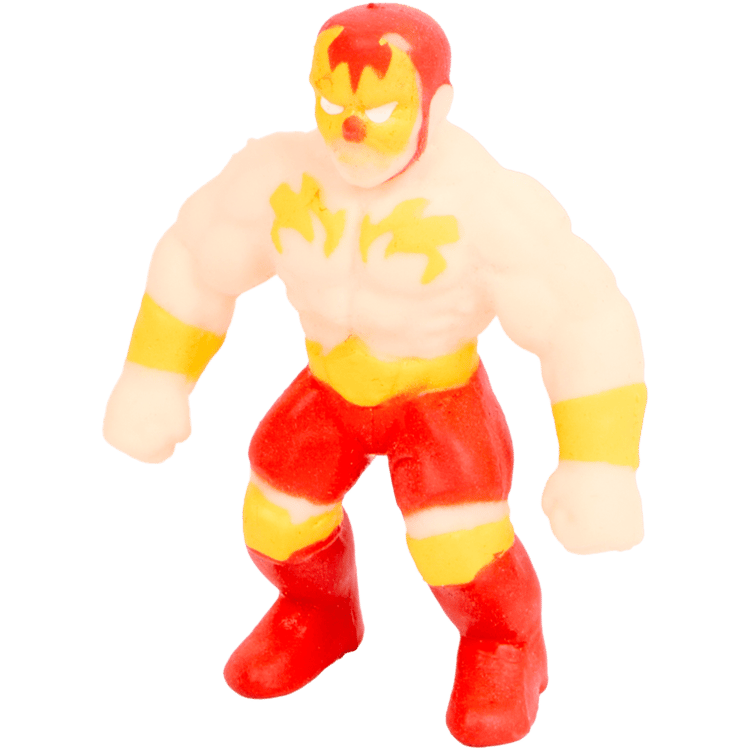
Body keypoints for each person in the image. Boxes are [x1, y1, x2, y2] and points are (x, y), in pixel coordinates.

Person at [102, 3, 647, 747]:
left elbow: (584, 321)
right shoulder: (277, 176)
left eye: (382, 108)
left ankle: (505, 643)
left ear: (437, 105)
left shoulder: (486, 203)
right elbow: (198, 261)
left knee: (458, 543)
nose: (350, 130)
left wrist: (599, 466)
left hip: (438, 397)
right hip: (331, 386)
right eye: (332, 103)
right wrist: (154, 377)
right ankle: (320, 612)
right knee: (275, 517)